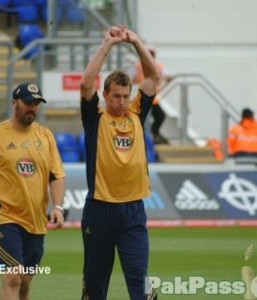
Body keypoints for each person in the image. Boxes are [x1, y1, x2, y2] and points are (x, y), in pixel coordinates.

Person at [0, 82, 66, 300]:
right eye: (28, 103)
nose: (32, 108)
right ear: (14, 102)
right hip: (4, 218)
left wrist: (58, 206)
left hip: (36, 222)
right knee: (13, 278)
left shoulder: (46, 137)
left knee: (24, 284)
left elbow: (57, 176)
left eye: (36, 104)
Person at [80, 25, 159, 299]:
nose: (123, 101)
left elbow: (152, 75)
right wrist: (108, 44)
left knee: (140, 281)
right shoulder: (95, 118)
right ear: (105, 95)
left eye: (126, 96)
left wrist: (137, 41)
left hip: (133, 210)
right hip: (99, 209)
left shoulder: (137, 112)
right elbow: (85, 83)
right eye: (117, 96)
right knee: (94, 286)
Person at [128, 48, 172, 144]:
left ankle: (153, 135)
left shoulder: (156, 66)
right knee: (142, 119)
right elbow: (128, 80)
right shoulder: (137, 66)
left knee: (160, 116)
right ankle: (144, 137)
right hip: (140, 98)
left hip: (152, 98)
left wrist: (162, 81)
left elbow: (168, 76)